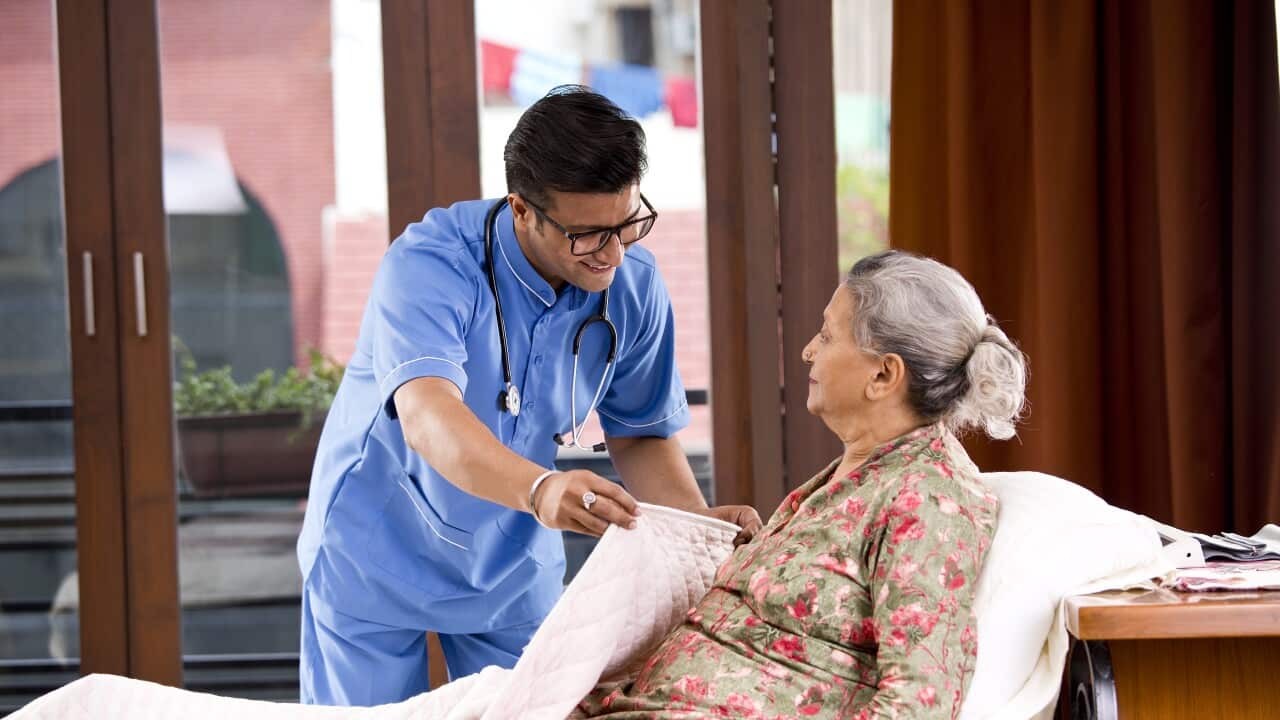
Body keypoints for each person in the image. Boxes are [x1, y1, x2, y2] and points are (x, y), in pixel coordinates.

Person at [295, 86, 762, 706]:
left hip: (511, 559)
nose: (614, 253)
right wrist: (542, 490)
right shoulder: (430, 265)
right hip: (376, 547)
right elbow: (428, 413)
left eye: (627, 224)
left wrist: (694, 533)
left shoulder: (631, 285)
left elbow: (641, 431)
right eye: (589, 235)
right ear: (522, 209)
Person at [570, 250, 1028, 718]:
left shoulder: (929, 500)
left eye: (827, 335)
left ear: (884, 374)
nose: (809, 349)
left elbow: (919, 704)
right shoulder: (856, 475)